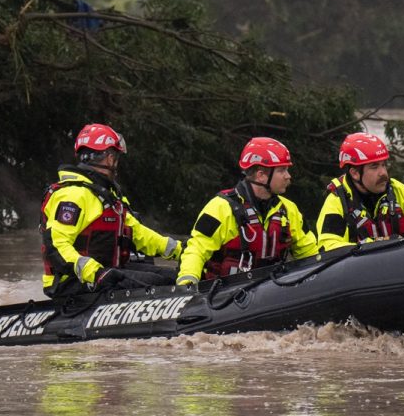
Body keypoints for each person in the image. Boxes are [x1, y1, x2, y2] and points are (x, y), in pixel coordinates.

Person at [41, 123, 183, 297]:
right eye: (116, 157)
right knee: (162, 283)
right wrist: (96, 273)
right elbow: (56, 245)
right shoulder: (73, 195)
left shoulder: (108, 196)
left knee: (173, 277)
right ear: (109, 158)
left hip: (106, 272)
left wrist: (180, 250)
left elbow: (138, 234)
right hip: (75, 281)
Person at [176, 137, 318, 285]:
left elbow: (310, 253)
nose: (288, 176)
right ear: (261, 175)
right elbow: (196, 248)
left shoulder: (289, 210)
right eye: (282, 170)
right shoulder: (221, 207)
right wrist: (188, 282)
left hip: (272, 292)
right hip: (223, 295)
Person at [316, 132, 404, 253]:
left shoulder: (397, 190)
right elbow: (329, 247)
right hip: (363, 274)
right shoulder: (337, 202)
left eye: (384, 165)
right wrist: (372, 245)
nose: (383, 173)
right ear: (355, 173)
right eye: (374, 167)